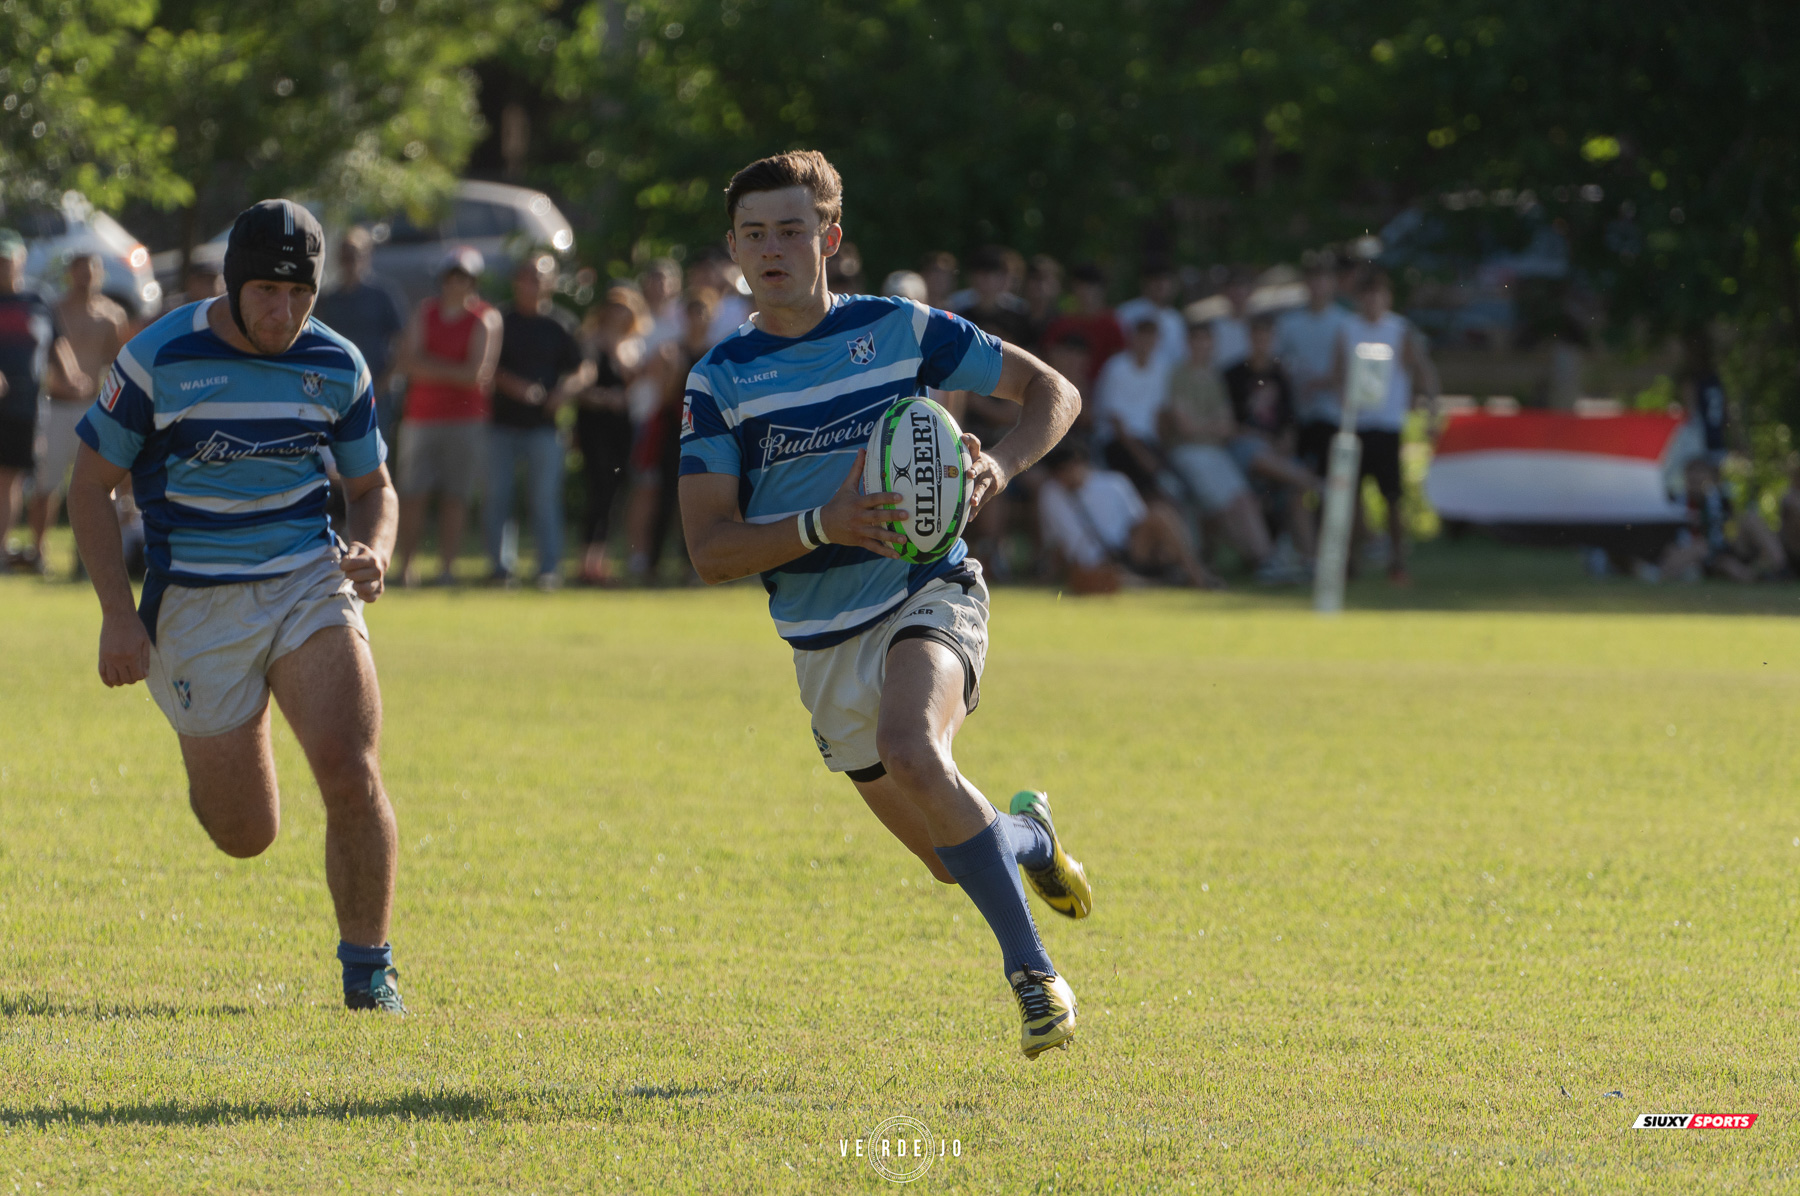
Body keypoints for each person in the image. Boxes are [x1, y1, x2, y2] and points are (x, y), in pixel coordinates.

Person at [679, 150, 1091, 1058]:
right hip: (821, 644)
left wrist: (997, 466)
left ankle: (1035, 978)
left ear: (830, 237)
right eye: (755, 233)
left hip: (927, 589)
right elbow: (709, 551)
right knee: (951, 858)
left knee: (915, 748)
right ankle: (1029, 834)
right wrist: (823, 525)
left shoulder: (903, 329)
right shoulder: (720, 383)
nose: (773, 247)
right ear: (734, 250)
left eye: (792, 228)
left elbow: (1050, 391)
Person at [66, 200, 406, 1014]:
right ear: (232, 284)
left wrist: (377, 549)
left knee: (351, 771)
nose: (281, 311)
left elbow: (372, 487)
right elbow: (86, 489)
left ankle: (369, 971)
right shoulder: (157, 358)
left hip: (304, 582)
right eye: (264, 291)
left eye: (299, 294)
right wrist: (118, 613)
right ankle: (232, 724)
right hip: (194, 607)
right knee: (245, 834)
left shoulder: (338, 364)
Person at [392, 247, 502, 586]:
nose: (457, 283)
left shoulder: (485, 317)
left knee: (456, 496)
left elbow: (476, 375)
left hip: (466, 420)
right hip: (421, 416)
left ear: (474, 281)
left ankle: (446, 569)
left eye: (464, 277)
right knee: (413, 494)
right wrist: (450, 370)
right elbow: (407, 364)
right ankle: (406, 568)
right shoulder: (425, 312)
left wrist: (429, 367)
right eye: (452, 276)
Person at [486, 254, 590, 589]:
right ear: (516, 281)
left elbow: (584, 369)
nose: (532, 283)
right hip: (501, 424)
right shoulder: (499, 320)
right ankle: (500, 569)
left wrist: (564, 392)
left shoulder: (560, 324)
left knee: (545, 499)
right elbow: (484, 365)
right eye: (526, 276)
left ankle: (548, 568)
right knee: (498, 497)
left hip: (544, 428)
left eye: (539, 277)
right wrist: (512, 386)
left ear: (550, 284)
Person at [1332, 267, 1441, 584]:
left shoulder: (1399, 330)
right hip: (1356, 425)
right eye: (1367, 295)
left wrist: (1430, 410)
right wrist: (1345, 401)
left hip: (1387, 424)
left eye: (1378, 294)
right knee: (1350, 499)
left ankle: (1397, 561)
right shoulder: (1347, 329)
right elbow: (1338, 374)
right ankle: (1349, 563)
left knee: (1392, 498)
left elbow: (1423, 371)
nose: (1372, 301)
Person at [0, 229, 89, 571]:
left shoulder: (37, 300)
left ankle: (5, 550)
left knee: (11, 477)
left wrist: (70, 374)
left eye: (7, 261)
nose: (3, 268)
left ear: (20, 261)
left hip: (23, 405)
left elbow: (56, 343)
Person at [32, 253, 125, 573]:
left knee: (95, 485)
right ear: (70, 273)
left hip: (91, 408)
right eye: (80, 271)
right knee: (47, 484)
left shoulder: (111, 316)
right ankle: (37, 551)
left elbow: (118, 364)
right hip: (55, 404)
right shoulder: (53, 309)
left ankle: (85, 560)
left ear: (99, 274)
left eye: (91, 271)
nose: (86, 277)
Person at [1160, 319, 1275, 572]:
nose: (1203, 345)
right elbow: (1185, 427)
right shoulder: (1178, 375)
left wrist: (1204, 425)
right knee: (1225, 508)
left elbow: (1227, 424)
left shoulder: (1214, 376)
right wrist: (1211, 425)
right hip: (1188, 453)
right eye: (1197, 339)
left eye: (1207, 340)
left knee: (1244, 500)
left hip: (1215, 451)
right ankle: (1262, 560)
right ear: (1188, 343)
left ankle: (1265, 558)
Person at [1037, 441, 1217, 589]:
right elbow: (1056, 540)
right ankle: (1160, 581)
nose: (1061, 477)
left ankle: (1196, 576)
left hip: (1127, 550)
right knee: (1105, 578)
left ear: (1078, 464)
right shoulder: (1050, 494)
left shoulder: (1115, 483)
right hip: (1090, 564)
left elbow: (1139, 519)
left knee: (1160, 514)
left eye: (1063, 470)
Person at [628, 291, 713, 583]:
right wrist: (675, 370)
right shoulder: (671, 352)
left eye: (702, 312)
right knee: (665, 498)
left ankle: (692, 565)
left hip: (707, 435)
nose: (697, 319)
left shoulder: (716, 353)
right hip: (673, 433)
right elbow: (664, 397)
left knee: (699, 503)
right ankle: (652, 563)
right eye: (692, 313)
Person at [1224, 314, 1318, 557]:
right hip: (1245, 450)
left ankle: (1311, 559)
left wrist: (1285, 442)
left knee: (1297, 496)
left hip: (1276, 453)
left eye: (1266, 336)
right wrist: (1261, 438)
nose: (1261, 341)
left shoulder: (1280, 374)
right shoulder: (1232, 374)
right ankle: (1316, 484)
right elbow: (1228, 423)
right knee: (1257, 454)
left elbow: (1289, 422)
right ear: (1249, 338)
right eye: (1257, 336)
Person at [574, 287, 648, 585]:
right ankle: (585, 562)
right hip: (594, 425)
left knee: (614, 493)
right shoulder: (589, 343)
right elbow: (581, 385)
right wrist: (605, 398)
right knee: (597, 490)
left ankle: (600, 561)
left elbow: (637, 386)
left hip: (621, 428)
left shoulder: (633, 346)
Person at [313, 227, 408, 452]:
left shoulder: (382, 295)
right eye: (345, 255)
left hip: (376, 392)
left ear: (367, 256)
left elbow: (404, 341)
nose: (350, 260)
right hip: (337, 394)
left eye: (355, 254)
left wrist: (386, 382)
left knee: (376, 452)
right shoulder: (329, 299)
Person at [1280, 261, 1351, 480]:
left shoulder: (1345, 322)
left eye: (1323, 280)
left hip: (1333, 413)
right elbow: (1279, 362)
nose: (1318, 286)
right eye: (1313, 279)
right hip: (1297, 413)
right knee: (1299, 480)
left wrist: (1323, 383)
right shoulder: (1289, 323)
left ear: (1332, 284)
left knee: (1330, 479)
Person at [1091, 317, 1172, 497]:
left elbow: (1159, 414)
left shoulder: (1161, 368)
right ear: (1133, 338)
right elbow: (1116, 423)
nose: (1146, 343)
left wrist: (1162, 448)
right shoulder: (1116, 368)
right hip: (1116, 442)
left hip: (1148, 442)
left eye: (1151, 338)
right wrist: (1143, 456)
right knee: (1146, 487)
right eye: (1142, 337)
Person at [1041, 264, 1125, 373]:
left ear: (1101, 290)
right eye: (1081, 286)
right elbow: (1048, 358)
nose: (1086, 293)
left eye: (1091, 287)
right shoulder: (1061, 324)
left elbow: (1119, 362)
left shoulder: (1111, 325)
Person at [1114, 263, 1186, 371]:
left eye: (1165, 280)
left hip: (1165, 380)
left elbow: (1179, 356)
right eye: (1156, 280)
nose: (1161, 285)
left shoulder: (1176, 319)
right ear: (1145, 283)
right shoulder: (1126, 312)